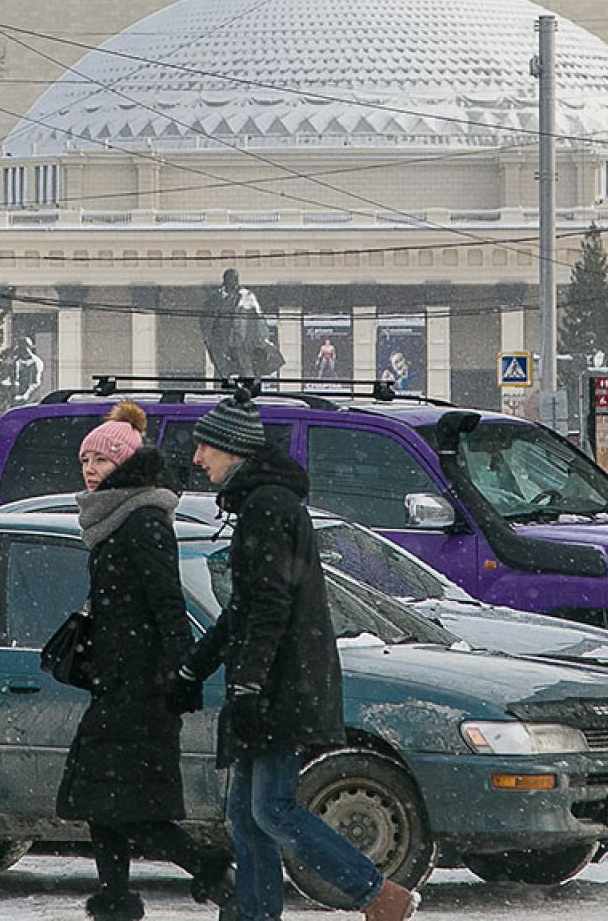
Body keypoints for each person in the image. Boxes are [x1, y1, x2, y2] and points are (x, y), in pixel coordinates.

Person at [172, 393, 419, 921]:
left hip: (283, 682)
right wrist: (198, 664)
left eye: (205, 447)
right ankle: (257, 914)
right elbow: (245, 605)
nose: (196, 459)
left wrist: (247, 686)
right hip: (278, 678)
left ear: (233, 448)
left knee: (271, 807)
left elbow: (268, 604)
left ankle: (377, 894)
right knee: (245, 814)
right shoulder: (262, 502)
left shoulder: (267, 506)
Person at [57, 402, 233, 921]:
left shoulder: (142, 522)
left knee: (133, 809)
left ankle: (216, 874)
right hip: (117, 684)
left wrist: (179, 676)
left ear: (125, 467)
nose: (89, 470)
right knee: (102, 802)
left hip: (142, 690)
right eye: (85, 460)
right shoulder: (114, 520)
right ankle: (115, 901)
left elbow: (166, 605)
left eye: (101, 462)